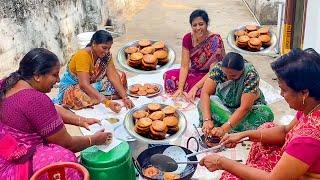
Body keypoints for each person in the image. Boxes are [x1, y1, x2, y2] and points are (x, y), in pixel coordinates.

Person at [200, 48, 320, 180]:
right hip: (293, 162)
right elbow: (285, 132)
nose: (281, 94)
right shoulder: (312, 107)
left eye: (284, 90)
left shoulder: (307, 138)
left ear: (304, 93)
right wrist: (244, 135)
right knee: (265, 128)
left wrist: (222, 162)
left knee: (231, 177)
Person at [0, 48, 112, 179]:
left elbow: (50, 109)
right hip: (14, 167)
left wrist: (81, 120)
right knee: (64, 160)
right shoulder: (34, 99)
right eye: (54, 75)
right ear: (37, 76)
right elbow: (67, 143)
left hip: (5, 154)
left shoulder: (11, 84)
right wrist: (93, 139)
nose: (58, 80)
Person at [54, 30, 134, 112]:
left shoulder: (106, 55)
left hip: (93, 84)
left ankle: (97, 97)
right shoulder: (83, 55)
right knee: (78, 95)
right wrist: (107, 103)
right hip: (74, 87)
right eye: (104, 47)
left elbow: (113, 76)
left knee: (121, 76)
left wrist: (125, 97)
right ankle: (103, 97)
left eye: (108, 48)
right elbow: (84, 85)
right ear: (94, 43)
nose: (106, 51)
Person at [199, 52, 274, 139]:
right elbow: (205, 93)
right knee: (205, 103)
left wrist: (224, 128)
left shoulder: (250, 75)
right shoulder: (218, 69)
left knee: (266, 113)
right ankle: (233, 128)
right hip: (224, 105)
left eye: (233, 75)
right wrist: (207, 119)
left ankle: (224, 126)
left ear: (242, 70)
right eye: (225, 74)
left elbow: (245, 108)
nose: (228, 77)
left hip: (246, 110)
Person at [163, 9, 225, 102]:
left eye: (201, 24)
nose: (198, 28)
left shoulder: (215, 40)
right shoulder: (187, 38)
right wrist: (180, 88)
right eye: (194, 25)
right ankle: (186, 91)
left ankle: (195, 91)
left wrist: (196, 87)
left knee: (209, 89)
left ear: (207, 24)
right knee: (168, 75)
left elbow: (213, 71)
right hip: (195, 72)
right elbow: (184, 66)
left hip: (212, 74)